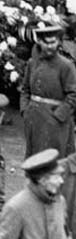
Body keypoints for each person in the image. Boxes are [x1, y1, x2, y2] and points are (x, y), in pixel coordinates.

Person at [21, 24, 76, 157]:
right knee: (34, 158)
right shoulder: (32, 63)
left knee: (54, 159)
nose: (50, 46)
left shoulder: (66, 65)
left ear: (59, 42)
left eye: (53, 42)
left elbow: (73, 94)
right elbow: (25, 89)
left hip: (55, 120)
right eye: (46, 42)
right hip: (34, 118)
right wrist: (25, 110)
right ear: (39, 42)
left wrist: (58, 116)